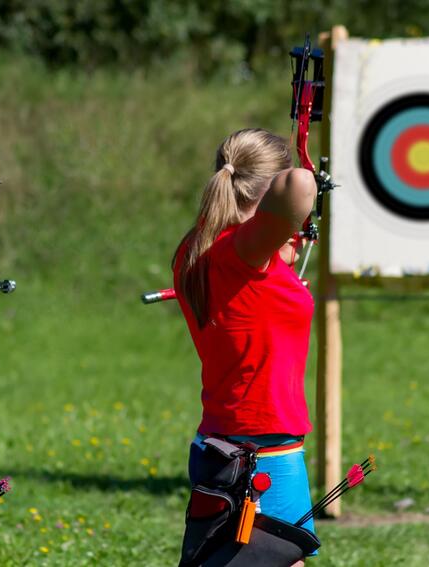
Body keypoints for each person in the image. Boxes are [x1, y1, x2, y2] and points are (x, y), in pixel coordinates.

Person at [173, 128, 318, 565]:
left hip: (221, 444)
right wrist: (306, 173)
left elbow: (250, 304)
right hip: (264, 453)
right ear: (269, 186)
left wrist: (281, 253)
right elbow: (300, 185)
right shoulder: (243, 252)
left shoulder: (196, 247)